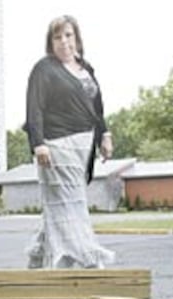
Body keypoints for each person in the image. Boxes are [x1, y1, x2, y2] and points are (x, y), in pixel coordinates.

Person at [24, 14, 115, 269]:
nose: (64, 41)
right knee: (71, 203)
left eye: (68, 35)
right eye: (57, 37)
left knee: (59, 205)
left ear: (77, 38)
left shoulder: (87, 69)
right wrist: (38, 142)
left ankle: (37, 259)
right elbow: (34, 107)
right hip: (55, 144)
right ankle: (89, 260)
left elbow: (97, 108)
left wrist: (104, 135)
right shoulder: (45, 68)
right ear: (50, 42)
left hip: (83, 145)